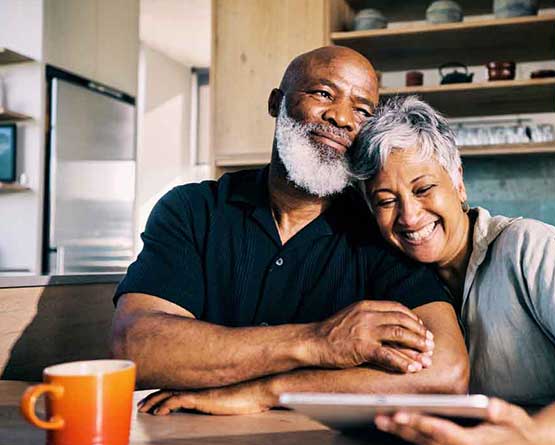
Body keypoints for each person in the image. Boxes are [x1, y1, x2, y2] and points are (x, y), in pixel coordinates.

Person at [111, 47, 468, 416]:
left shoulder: (380, 229)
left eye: (362, 111)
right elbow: (135, 347)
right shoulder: (192, 210)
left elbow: (447, 371)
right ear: (275, 103)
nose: (341, 117)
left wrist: (270, 391)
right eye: (323, 93)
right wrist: (317, 341)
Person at [348, 96, 555, 445]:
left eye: (424, 189)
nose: (410, 216)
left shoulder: (527, 247)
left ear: (458, 181)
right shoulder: (397, 284)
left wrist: (529, 438)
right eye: (386, 201)